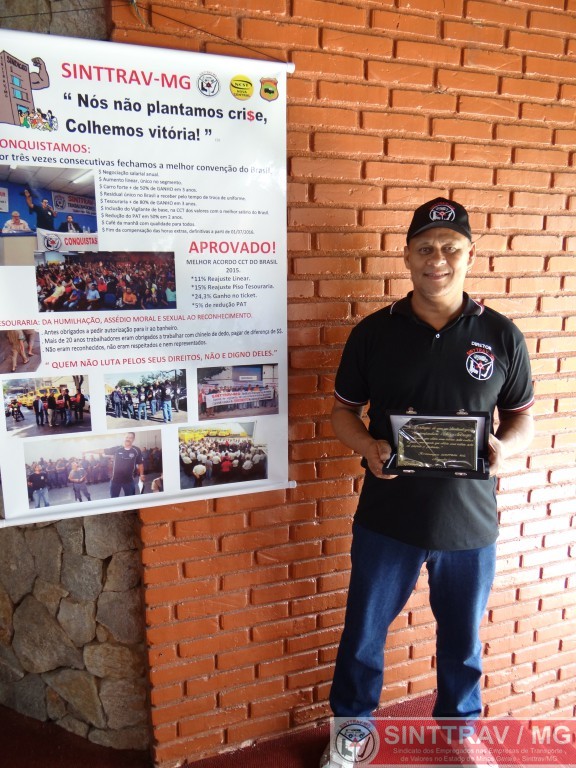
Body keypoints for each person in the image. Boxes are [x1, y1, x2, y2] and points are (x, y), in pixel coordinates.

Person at [321, 198, 535, 768]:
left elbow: (523, 418)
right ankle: (351, 731)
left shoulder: (502, 335)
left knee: (462, 639)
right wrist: (367, 447)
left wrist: (505, 449)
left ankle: (460, 732)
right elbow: (343, 412)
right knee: (364, 633)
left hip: (469, 520)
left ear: (470, 255)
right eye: (425, 247)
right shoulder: (374, 333)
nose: (437, 258)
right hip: (388, 516)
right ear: (407, 256)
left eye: (450, 247)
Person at [102, 432, 145, 497]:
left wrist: (141, 475)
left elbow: (140, 464)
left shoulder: (136, 450)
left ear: (133, 439)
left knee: (130, 499)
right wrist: (87, 451)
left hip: (129, 480)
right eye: (127, 437)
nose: (128, 439)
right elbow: (102, 450)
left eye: (130, 438)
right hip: (115, 480)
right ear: (124, 438)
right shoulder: (117, 449)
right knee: (114, 498)